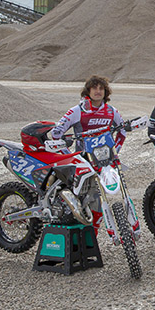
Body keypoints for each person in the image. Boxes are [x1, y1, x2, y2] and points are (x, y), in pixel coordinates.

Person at [49, 75, 127, 236]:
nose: (98, 91)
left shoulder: (111, 111)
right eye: (94, 88)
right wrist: (70, 155)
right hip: (82, 162)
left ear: (106, 91)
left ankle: (92, 236)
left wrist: (114, 153)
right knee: (78, 201)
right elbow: (56, 133)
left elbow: (122, 132)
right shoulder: (77, 110)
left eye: (101, 88)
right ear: (88, 90)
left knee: (98, 200)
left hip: (103, 163)